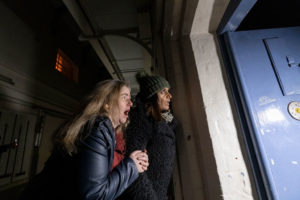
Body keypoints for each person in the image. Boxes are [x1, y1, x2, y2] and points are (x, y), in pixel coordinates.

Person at [20, 80, 149, 200]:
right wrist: (132, 166)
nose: (130, 103)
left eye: (130, 98)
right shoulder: (97, 128)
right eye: (124, 97)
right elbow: (95, 194)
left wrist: (133, 162)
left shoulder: (111, 132)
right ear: (107, 104)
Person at [119, 72, 177, 200]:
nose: (170, 96)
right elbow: (134, 169)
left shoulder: (160, 119)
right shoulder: (141, 120)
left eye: (169, 91)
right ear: (152, 96)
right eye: (163, 92)